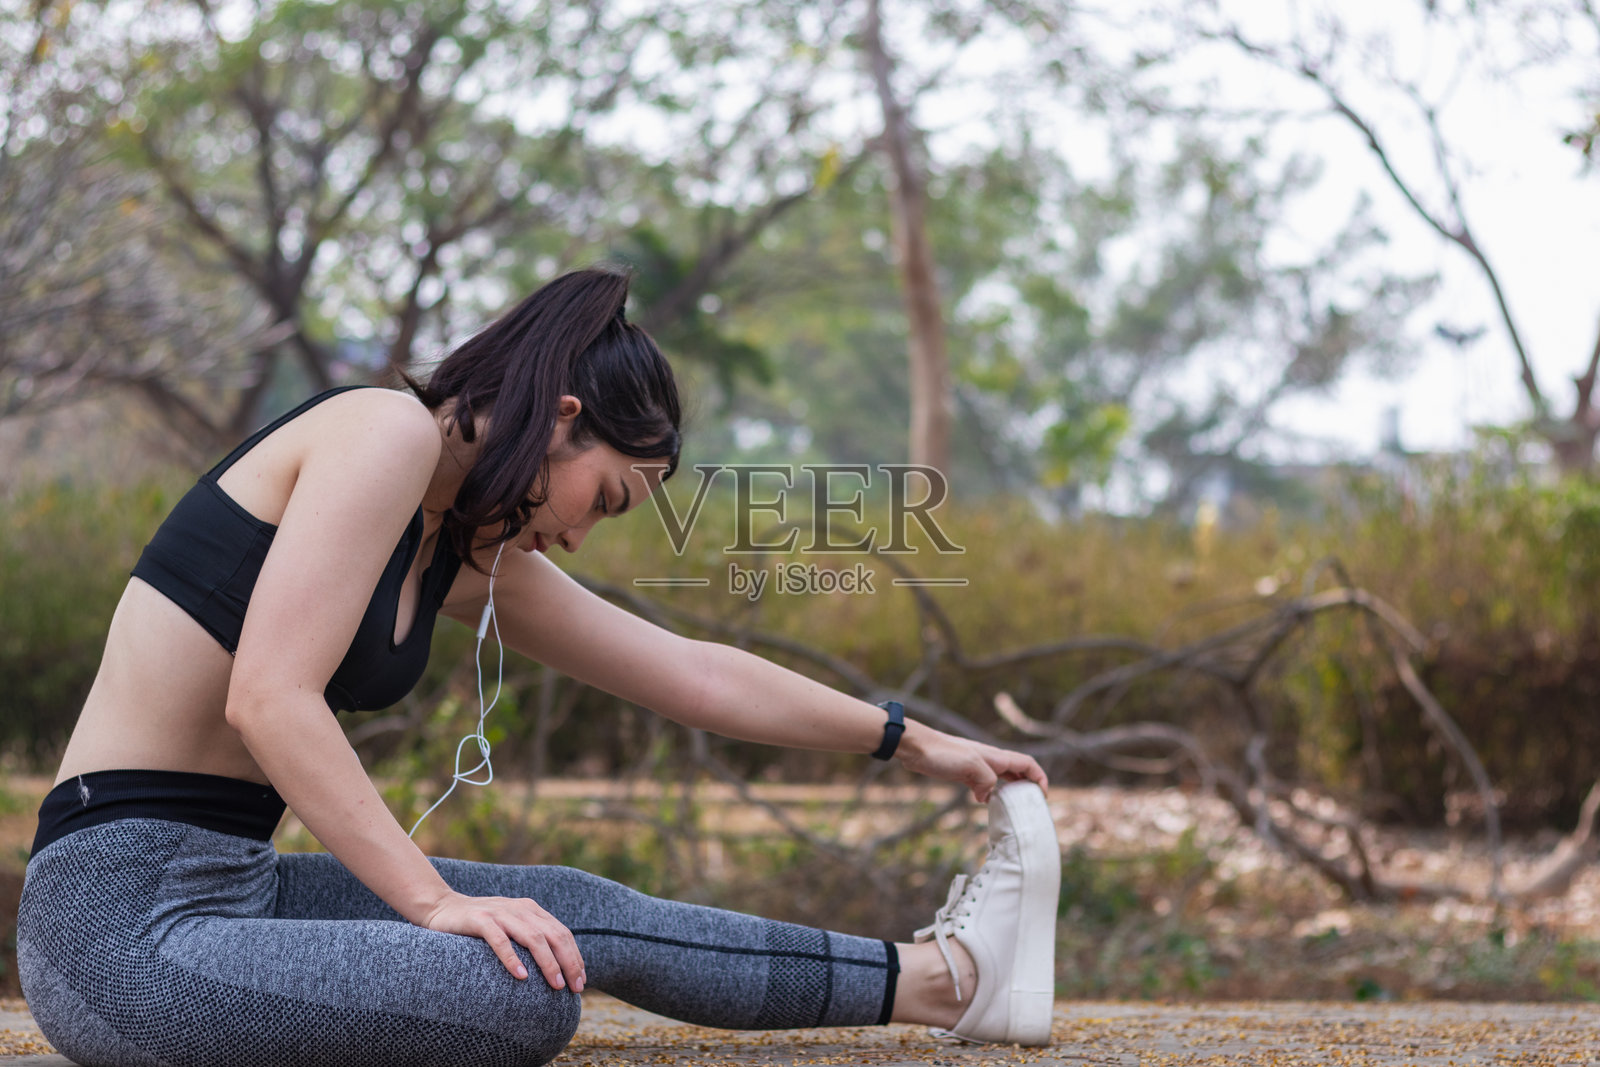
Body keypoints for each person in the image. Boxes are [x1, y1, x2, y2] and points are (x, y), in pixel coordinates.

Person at [16, 267, 1061, 1067]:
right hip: (115, 928)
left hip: (233, 887)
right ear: (563, 416)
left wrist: (914, 738)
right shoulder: (380, 433)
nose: (583, 534)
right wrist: (432, 903)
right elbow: (268, 696)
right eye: (604, 498)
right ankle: (942, 980)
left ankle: (946, 982)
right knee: (520, 985)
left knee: (558, 913)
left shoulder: (456, 548)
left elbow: (691, 672)